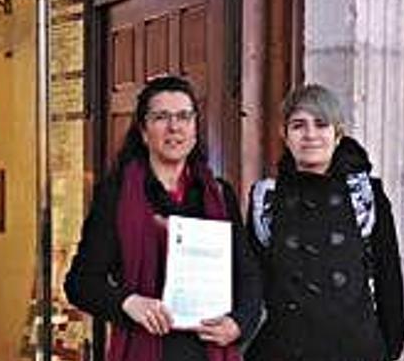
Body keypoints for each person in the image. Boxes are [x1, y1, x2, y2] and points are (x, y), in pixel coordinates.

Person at [64, 75, 261, 361]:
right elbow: (80, 283)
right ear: (143, 132)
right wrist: (127, 303)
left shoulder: (219, 195)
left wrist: (239, 324)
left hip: (209, 350)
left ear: (195, 129)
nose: (174, 127)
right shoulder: (116, 196)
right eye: (161, 117)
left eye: (184, 116)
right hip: (144, 349)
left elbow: (248, 274)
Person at [246, 84, 404, 361]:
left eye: (321, 124)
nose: (310, 135)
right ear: (284, 134)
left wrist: (388, 350)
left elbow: (388, 277)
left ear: (337, 134)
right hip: (284, 350)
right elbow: (253, 279)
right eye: (298, 125)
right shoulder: (266, 197)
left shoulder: (365, 194)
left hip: (355, 349)